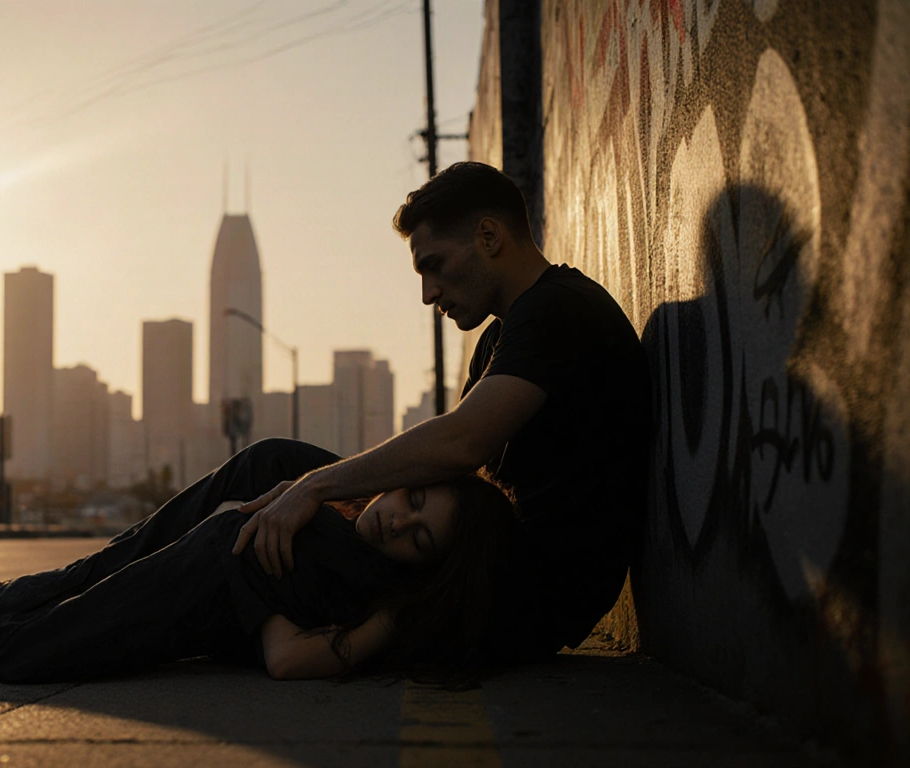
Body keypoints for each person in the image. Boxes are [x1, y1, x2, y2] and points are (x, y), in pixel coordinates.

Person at [232, 161, 651, 663]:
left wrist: (316, 488)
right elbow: (448, 475)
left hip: (507, 597)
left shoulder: (559, 312)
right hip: (477, 568)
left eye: (434, 265)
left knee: (254, 521)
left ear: (489, 236)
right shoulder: (501, 338)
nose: (428, 294)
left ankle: (117, 619)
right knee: (272, 466)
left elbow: (458, 446)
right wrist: (323, 490)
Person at [0, 439, 518, 683]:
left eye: (416, 537)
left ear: (427, 569)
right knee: (272, 462)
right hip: (259, 566)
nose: (396, 517)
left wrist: (253, 579)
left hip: (239, 595)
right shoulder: (353, 516)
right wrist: (294, 495)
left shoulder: (394, 605)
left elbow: (290, 662)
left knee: (220, 538)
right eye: (413, 496)